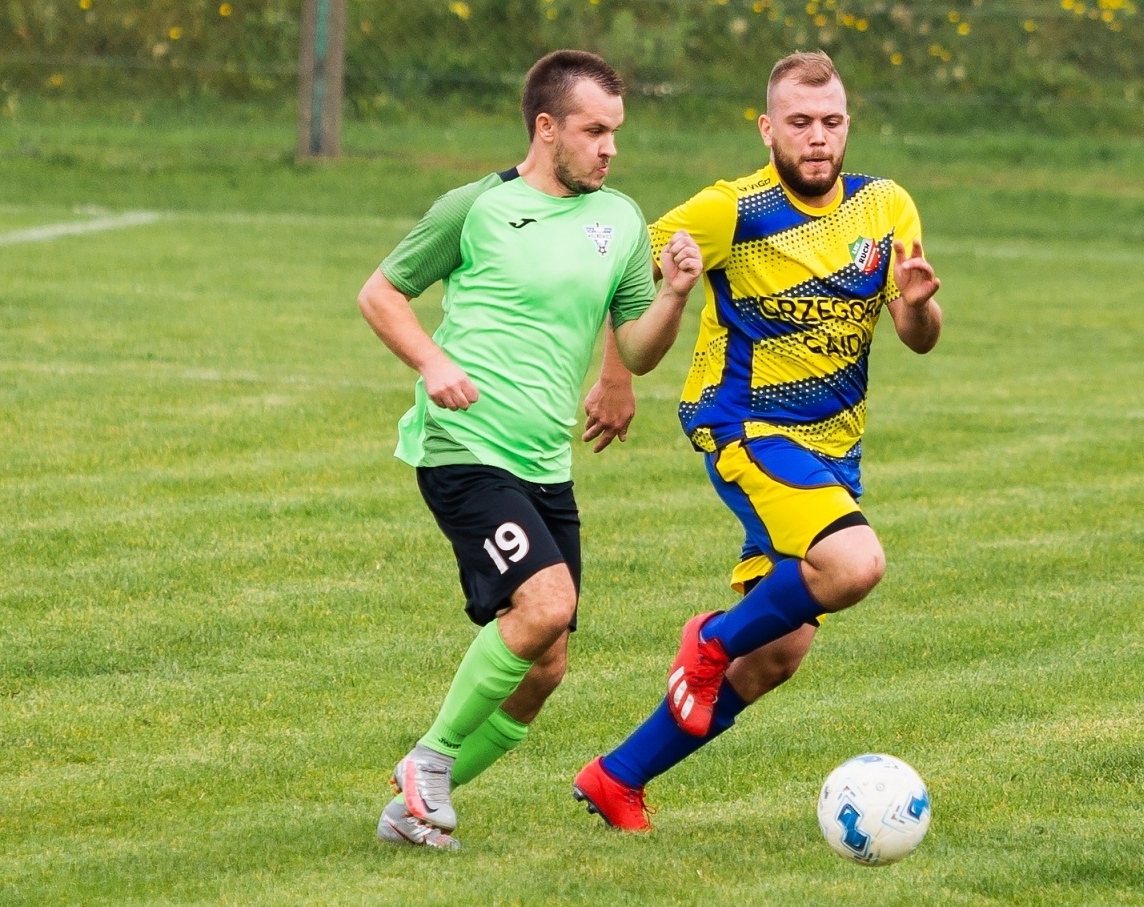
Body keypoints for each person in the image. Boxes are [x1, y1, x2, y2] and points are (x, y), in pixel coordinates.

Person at [572, 50, 942, 831]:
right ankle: (708, 640)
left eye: (832, 122)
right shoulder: (730, 208)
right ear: (768, 128)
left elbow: (918, 335)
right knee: (853, 562)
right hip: (744, 425)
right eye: (801, 123)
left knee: (778, 653)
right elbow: (623, 270)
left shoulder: (884, 206)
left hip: (832, 446)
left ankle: (618, 776)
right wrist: (618, 373)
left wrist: (915, 306)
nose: (818, 138)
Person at [357, 49, 703, 849]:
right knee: (542, 605)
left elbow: (639, 348)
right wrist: (433, 361)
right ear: (547, 128)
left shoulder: (619, 220)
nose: (611, 147)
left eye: (617, 131)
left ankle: (412, 811)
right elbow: (381, 293)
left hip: (546, 461)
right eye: (594, 130)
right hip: (464, 448)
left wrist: (676, 293)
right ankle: (430, 761)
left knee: (545, 664)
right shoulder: (474, 207)